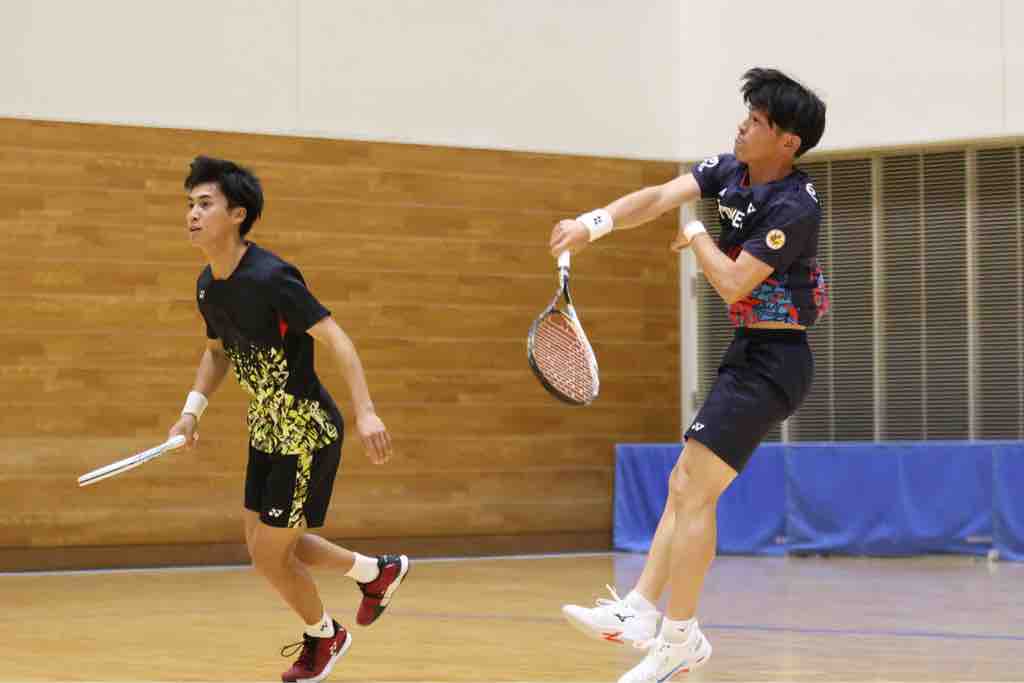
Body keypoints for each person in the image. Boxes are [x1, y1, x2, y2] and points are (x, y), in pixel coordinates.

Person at [550, 68, 828, 682]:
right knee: (684, 484)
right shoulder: (729, 171)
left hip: (777, 360)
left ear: (787, 142)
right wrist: (593, 224)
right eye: (746, 115)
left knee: (694, 491)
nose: (742, 127)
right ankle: (642, 613)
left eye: (757, 121)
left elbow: (732, 282)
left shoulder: (794, 204)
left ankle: (678, 636)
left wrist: (699, 233)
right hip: (749, 351)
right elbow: (656, 197)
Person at [167, 156, 410, 683]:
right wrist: (190, 413)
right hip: (265, 429)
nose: (192, 214)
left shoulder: (273, 278)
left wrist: (366, 412)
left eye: (205, 204)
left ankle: (325, 637)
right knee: (272, 546)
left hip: (305, 432)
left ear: (237, 214)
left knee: (269, 556)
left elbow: (337, 339)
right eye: (190, 204)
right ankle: (376, 572)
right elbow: (217, 352)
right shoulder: (209, 285)